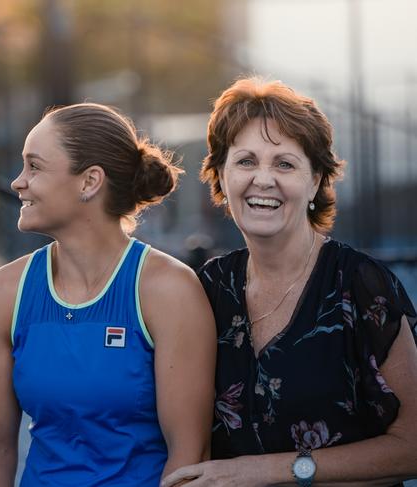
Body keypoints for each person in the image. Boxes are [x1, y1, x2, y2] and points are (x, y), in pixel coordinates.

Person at [161, 77, 417, 486]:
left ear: (316, 180)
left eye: (284, 163)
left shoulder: (362, 285)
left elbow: (412, 445)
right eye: (246, 161)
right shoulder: (206, 289)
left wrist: (268, 471)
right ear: (221, 178)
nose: (264, 179)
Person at [0, 103, 216, 486]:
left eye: (35, 166)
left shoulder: (170, 290)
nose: (18, 181)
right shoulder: (3, 292)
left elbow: (189, 456)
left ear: (89, 182)